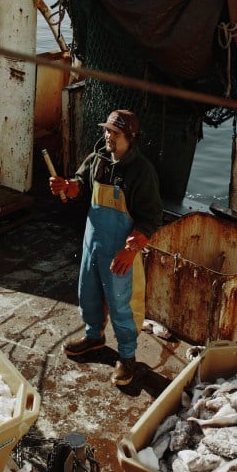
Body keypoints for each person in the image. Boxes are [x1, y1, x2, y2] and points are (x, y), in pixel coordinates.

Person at [49, 109, 162, 387]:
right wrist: (66, 186)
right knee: (87, 292)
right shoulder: (97, 158)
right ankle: (93, 336)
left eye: (114, 133)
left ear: (130, 137)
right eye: (107, 131)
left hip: (121, 249)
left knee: (123, 303)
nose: (108, 136)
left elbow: (150, 218)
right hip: (93, 242)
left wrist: (130, 249)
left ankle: (127, 357)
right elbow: (80, 187)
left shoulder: (141, 171)